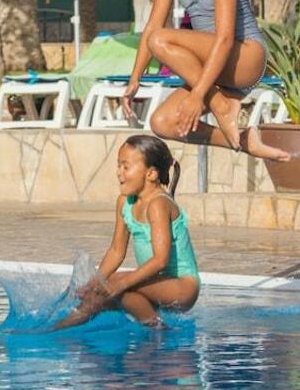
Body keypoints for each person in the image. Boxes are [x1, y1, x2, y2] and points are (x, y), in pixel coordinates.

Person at [123, 0, 289, 162]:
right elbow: (152, 26)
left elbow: (225, 39)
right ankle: (242, 140)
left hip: (245, 58)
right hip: (216, 69)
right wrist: (135, 79)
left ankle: (221, 106)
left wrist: (199, 95)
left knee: (160, 40)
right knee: (162, 122)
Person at [56, 135, 199, 329]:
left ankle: (158, 330)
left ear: (151, 174)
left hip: (182, 286)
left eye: (126, 167)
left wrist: (119, 284)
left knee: (116, 285)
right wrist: (94, 283)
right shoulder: (125, 202)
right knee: (98, 297)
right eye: (118, 166)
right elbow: (116, 251)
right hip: (154, 282)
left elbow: (160, 260)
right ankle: (59, 329)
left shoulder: (158, 204)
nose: (119, 172)